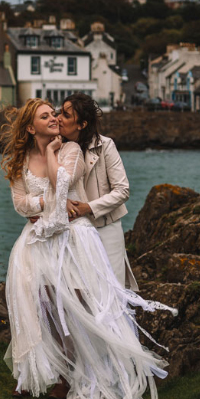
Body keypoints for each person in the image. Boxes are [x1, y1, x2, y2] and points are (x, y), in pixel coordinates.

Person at [0, 98, 176, 399]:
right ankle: (37, 370)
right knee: (38, 300)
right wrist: (46, 203)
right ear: (30, 127)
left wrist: (57, 167)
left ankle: (98, 368)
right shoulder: (23, 158)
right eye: (50, 114)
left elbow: (70, 186)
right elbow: (21, 203)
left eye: (62, 114)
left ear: (80, 123)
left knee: (94, 301)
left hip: (88, 229)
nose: (56, 117)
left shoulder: (76, 149)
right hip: (41, 236)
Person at [57, 93, 138, 291]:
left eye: (66, 115)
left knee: (112, 291)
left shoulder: (105, 145)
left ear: (82, 124)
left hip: (105, 228)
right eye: (59, 112)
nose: (58, 118)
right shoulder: (54, 147)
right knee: (79, 293)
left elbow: (123, 190)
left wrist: (89, 208)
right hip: (71, 231)